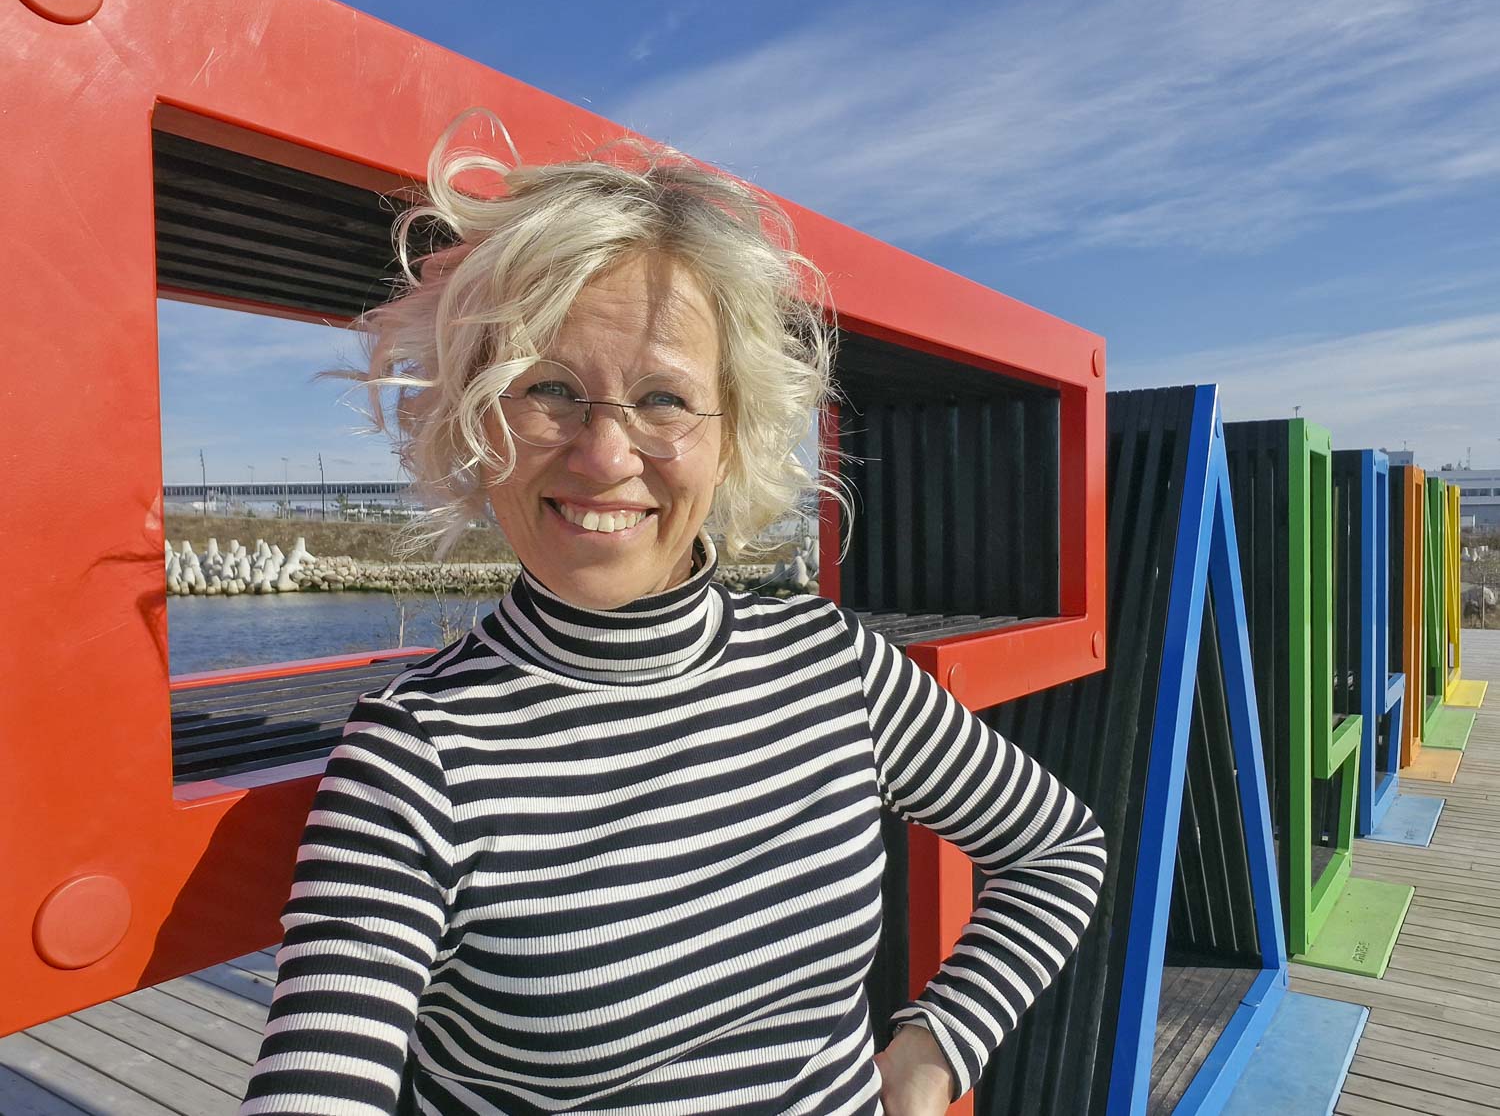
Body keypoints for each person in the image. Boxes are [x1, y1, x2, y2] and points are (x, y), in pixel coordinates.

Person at [241, 113, 1106, 1116]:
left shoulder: (837, 668)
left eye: (663, 399)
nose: (604, 455)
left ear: (730, 434)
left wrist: (931, 1054)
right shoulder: (419, 754)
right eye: (548, 387)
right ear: (475, 418)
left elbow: (1058, 849)